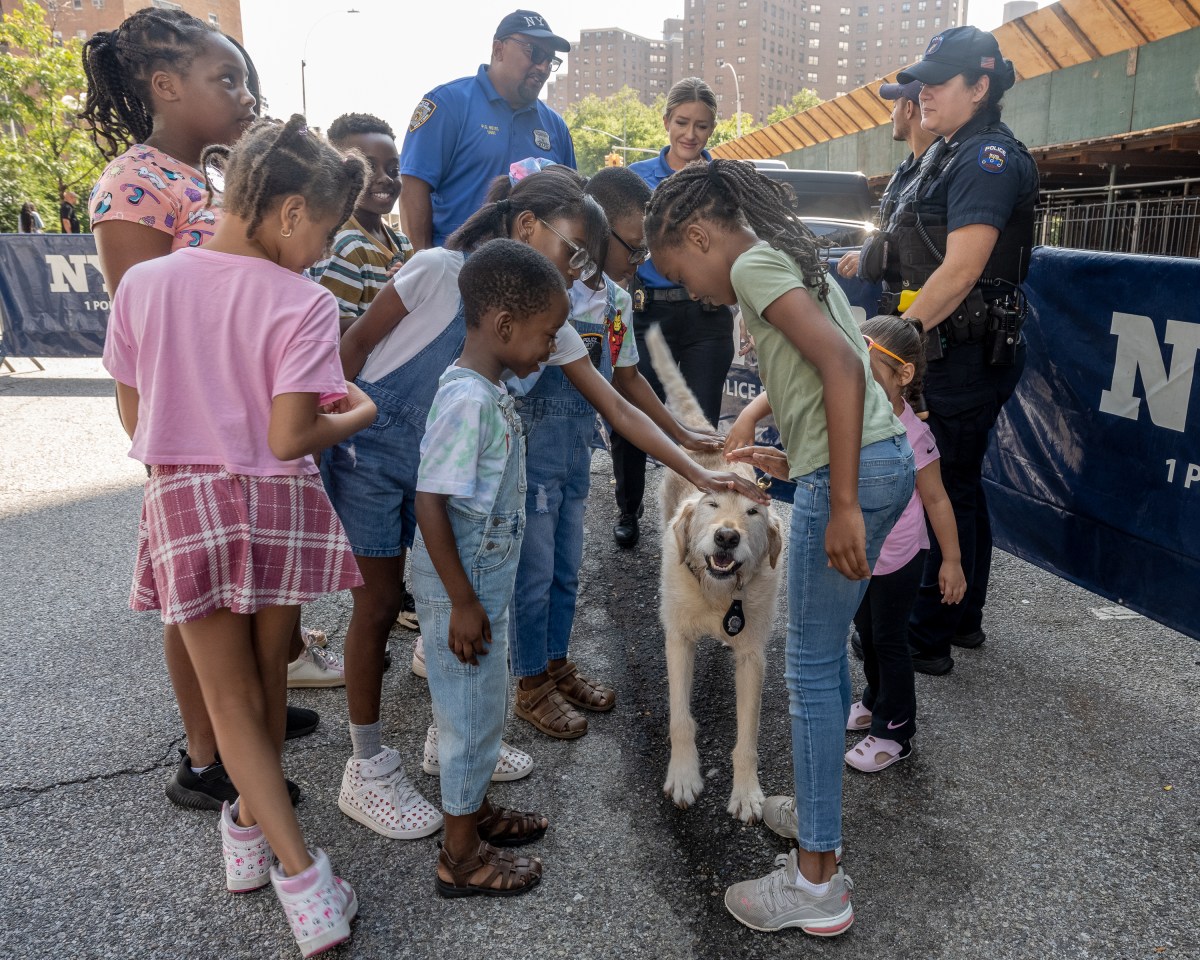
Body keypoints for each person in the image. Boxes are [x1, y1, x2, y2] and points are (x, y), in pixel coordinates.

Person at [102, 114, 374, 958]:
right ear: (292, 211)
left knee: (230, 706)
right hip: (276, 503)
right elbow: (294, 437)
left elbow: (133, 412)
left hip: (184, 500)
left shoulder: (145, 287)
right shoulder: (304, 303)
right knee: (259, 685)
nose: (324, 252)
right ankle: (303, 880)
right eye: (325, 232)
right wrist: (360, 410)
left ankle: (248, 839)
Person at [643, 158, 913, 936]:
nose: (691, 289)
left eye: (680, 268)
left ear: (699, 234)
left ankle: (817, 881)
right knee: (822, 669)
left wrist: (843, 498)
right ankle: (818, 828)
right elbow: (841, 365)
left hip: (854, 478)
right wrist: (791, 454)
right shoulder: (788, 261)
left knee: (811, 672)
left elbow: (837, 363)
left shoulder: (757, 265)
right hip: (853, 464)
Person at [81, 8, 334, 811]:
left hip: (260, 439)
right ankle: (206, 753)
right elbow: (142, 334)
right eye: (226, 79)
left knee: (249, 588)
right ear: (165, 87)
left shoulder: (220, 178)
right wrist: (158, 451)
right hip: (194, 447)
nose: (244, 94)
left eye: (247, 80)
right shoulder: (136, 183)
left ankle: (247, 720)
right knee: (196, 597)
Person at [507, 164, 729, 740]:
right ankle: (530, 682)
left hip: (574, 458)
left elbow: (628, 379)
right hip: (530, 461)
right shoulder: (546, 296)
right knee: (531, 577)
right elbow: (615, 405)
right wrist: (682, 452)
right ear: (597, 233)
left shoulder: (613, 298)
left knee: (564, 570)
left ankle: (556, 663)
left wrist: (681, 431)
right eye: (634, 247)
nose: (643, 261)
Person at [413, 237, 566, 898]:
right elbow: (429, 502)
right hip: (463, 591)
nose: (551, 347)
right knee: (471, 724)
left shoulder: (490, 387)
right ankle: (460, 858)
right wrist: (463, 603)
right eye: (545, 334)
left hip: (480, 587)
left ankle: (472, 818)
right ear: (504, 327)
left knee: (484, 708)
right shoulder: (467, 401)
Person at [891, 26, 1039, 675]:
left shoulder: (986, 160)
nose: (923, 92)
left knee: (937, 489)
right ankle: (961, 620)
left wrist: (896, 344)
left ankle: (927, 636)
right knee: (957, 484)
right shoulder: (952, 151)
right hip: (954, 348)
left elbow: (959, 272)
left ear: (980, 87)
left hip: (963, 352)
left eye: (939, 81)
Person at [610, 78, 734, 547]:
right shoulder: (637, 177)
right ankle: (629, 508)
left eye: (701, 126)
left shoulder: (724, 178)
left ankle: (693, 520)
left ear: (712, 129)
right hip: (646, 314)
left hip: (707, 318)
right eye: (682, 122)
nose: (690, 134)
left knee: (698, 427)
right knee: (633, 414)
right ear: (666, 122)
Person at [843, 316, 965, 770]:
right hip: (862, 555)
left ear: (904, 375)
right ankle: (877, 700)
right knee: (868, 637)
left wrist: (950, 561)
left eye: (869, 370)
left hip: (899, 560)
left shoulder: (916, 434)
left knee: (890, 641)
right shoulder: (852, 418)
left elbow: (937, 501)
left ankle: (895, 731)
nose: (858, 379)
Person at [399, 8, 575, 250]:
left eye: (550, 60)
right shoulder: (447, 104)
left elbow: (571, 204)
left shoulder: (556, 127)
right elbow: (413, 188)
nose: (543, 67)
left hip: (532, 277)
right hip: (456, 269)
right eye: (534, 53)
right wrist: (424, 264)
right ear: (498, 49)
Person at [836, 78, 938, 320]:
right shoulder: (906, 171)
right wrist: (868, 254)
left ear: (909, 109)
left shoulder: (940, 171)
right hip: (897, 313)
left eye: (894, 106)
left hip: (921, 320)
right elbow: (900, 239)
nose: (892, 116)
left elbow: (929, 250)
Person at [311, 113, 412, 332]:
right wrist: (395, 302)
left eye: (393, 170)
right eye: (368, 168)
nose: (385, 178)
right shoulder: (343, 246)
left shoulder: (402, 242)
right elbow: (331, 329)